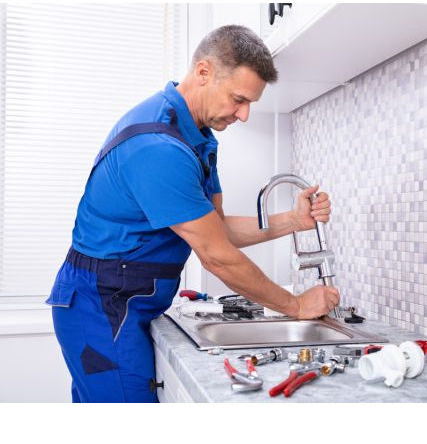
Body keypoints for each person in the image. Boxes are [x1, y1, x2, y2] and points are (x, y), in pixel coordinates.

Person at [46, 24, 340, 403]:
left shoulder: (197, 136)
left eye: (250, 102)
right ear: (204, 73)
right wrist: (296, 305)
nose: (245, 114)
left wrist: (293, 222)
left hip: (123, 302)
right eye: (238, 99)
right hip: (101, 308)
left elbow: (215, 228)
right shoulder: (158, 148)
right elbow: (217, 256)